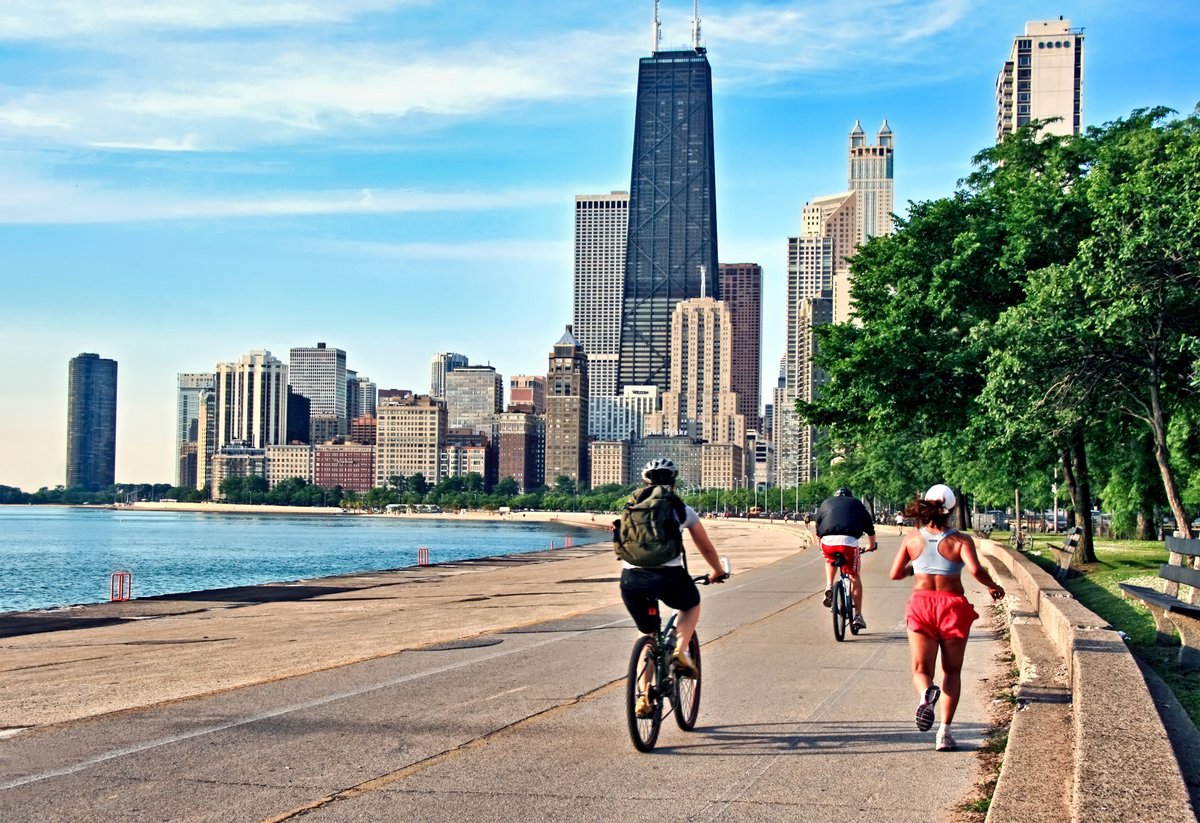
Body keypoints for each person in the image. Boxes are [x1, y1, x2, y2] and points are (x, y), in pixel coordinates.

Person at [890, 484, 1005, 752]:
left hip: (922, 605)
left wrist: (916, 569)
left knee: (921, 670)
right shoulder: (961, 540)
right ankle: (944, 733)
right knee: (951, 671)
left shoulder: (911, 539)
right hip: (952, 607)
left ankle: (925, 696)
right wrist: (992, 586)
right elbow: (976, 570)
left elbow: (895, 573)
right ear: (951, 510)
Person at [616, 458, 727, 716]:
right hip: (669, 576)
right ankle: (679, 651)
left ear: (645, 482)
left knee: (649, 638)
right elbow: (706, 547)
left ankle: (644, 697)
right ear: (674, 483)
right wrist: (717, 571)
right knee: (691, 603)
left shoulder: (631, 505)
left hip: (632, 579)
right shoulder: (681, 509)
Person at [814, 486, 877, 631]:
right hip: (848, 543)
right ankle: (858, 616)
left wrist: (821, 547)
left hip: (827, 542)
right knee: (854, 576)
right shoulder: (856, 504)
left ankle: (829, 586)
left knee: (829, 560)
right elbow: (869, 528)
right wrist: (871, 546)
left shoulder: (826, 503)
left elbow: (818, 529)